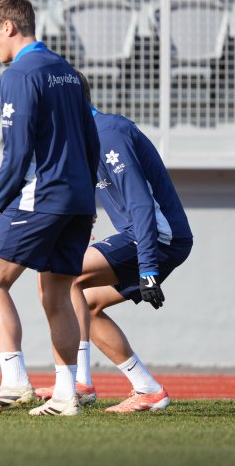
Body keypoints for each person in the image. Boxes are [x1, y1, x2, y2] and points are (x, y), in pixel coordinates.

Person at [0, 0, 99, 417]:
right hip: (78, 199)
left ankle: (14, 381)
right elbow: (91, 141)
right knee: (56, 292)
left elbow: (17, 154)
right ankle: (65, 396)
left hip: (40, 197)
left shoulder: (19, 73)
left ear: (9, 27)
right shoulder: (69, 72)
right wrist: (83, 198)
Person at [31, 73, 192, 413]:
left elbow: (140, 204)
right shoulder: (87, 138)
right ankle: (146, 389)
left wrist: (147, 267)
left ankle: (78, 384)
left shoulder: (108, 134)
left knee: (61, 274)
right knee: (86, 302)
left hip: (157, 238)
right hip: (145, 236)